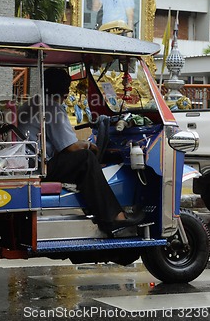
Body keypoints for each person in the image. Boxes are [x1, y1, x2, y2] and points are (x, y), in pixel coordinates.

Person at [17, 67, 144, 234]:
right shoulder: (51, 107)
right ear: (63, 92)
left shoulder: (32, 102)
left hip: (30, 162)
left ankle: (99, 209)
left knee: (85, 159)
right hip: (40, 167)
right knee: (86, 158)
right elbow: (70, 146)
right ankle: (113, 217)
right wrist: (89, 145)